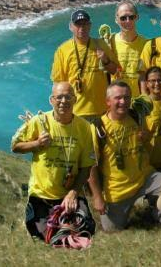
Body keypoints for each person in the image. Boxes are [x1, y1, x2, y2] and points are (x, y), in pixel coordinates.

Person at [11, 82, 96, 239]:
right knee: (43, 237)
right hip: (41, 193)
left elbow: (86, 167)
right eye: (59, 97)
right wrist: (36, 144)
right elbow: (15, 146)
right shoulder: (39, 121)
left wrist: (73, 193)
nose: (63, 101)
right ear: (51, 100)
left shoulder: (84, 127)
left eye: (68, 97)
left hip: (69, 193)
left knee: (86, 230)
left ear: (75, 100)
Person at [88, 81, 161, 231]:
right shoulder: (97, 127)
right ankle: (139, 202)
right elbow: (90, 166)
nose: (123, 102)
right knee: (111, 229)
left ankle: (156, 214)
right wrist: (97, 197)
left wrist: (146, 138)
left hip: (145, 178)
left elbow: (147, 100)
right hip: (117, 189)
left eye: (127, 97)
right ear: (107, 101)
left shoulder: (137, 115)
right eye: (118, 98)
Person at [51, 9, 119, 122]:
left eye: (85, 24)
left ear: (90, 25)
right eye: (78, 24)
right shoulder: (62, 50)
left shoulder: (100, 44)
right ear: (71, 26)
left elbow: (116, 71)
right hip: (74, 111)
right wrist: (58, 113)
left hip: (101, 110)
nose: (81, 28)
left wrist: (105, 60)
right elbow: (58, 84)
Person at [109, 0, 148, 96]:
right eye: (123, 18)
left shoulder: (146, 44)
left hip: (137, 104)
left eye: (131, 17)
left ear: (137, 17)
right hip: (115, 101)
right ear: (116, 20)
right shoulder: (109, 42)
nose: (128, 21)